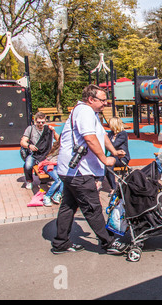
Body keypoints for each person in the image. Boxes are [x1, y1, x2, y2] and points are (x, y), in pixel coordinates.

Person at [51, 84, 128, 255]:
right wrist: (104, 158)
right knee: (92, 207)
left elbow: (101, 135)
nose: (106, 103)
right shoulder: (85, 111)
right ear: (91, 99)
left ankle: (60, 242)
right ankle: (108, 242)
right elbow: (90, 138)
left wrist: (114, 152)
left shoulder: (89, 113)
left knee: (68, 206)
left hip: (69, 170)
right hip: (80, 171)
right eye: (102, 100)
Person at [20, 112, 59, 190]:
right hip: (35, 153)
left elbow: (58, 140)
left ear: (45, 121)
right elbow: (22, 142)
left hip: (46, 153)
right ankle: (29, 180)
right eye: (38, 122)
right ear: (35, 121)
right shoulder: (30, 129)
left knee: (54, 164)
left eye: (42, 122)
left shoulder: (48, 129)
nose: (40, 124)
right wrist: (29, 146)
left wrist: (54, 132)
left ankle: (49, 179)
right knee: (28, 165)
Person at [104, 117, 130, 196]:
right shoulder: (111, 134)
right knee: (105, 164)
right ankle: (100, 182)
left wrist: (105, 140)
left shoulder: (123, 134)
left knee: (108, 165)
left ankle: (113, 187)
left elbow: (113, 145)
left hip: (122, 158)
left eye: (110, 124)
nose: (109, 125)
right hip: (113, 157)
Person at [37, 140, 63, 207]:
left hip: (57, 166)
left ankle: (57, 194)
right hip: (49, 165)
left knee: (64, 178)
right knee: (58, 180)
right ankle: (47, 196)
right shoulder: (60, 147)